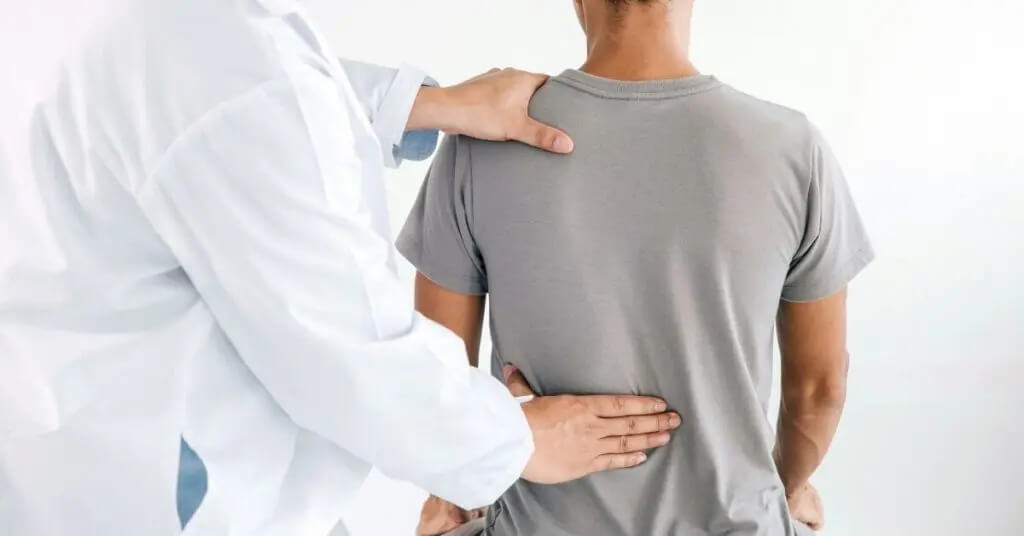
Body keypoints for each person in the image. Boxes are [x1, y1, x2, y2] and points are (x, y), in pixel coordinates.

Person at [0, 0, 684, 534]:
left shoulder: (184, 42)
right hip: (170, 501)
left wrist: (419, 105)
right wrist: (512, 441)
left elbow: (228, 101)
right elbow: (339, 348)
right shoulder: (216, 66)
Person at [400, 0, 874, 534]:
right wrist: (785, 489)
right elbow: (820, 388)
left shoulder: (482, 141)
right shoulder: (793, 148)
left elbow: (435, 379)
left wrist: (451, 492)